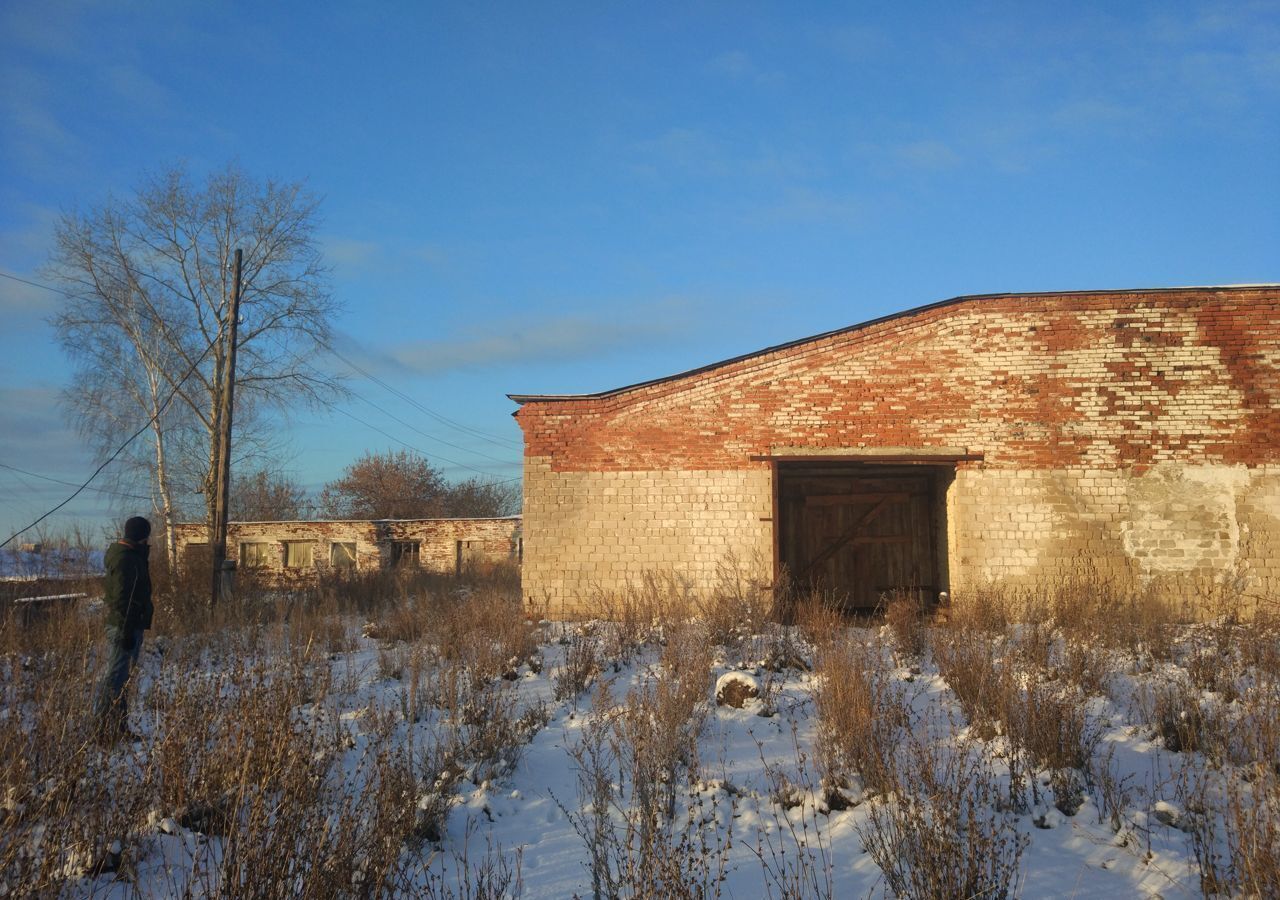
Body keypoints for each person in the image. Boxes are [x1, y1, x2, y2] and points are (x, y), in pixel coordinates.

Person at [95, 515, 154, 742]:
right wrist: (126, 631)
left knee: (121, 680)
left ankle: (118, 729)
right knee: (114, 680)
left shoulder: (129, 556)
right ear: (141, 536)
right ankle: (100, 732)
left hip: (127, 625)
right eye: (146, 536)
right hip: (124, 627)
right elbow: (122, 599)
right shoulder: (126, 559)